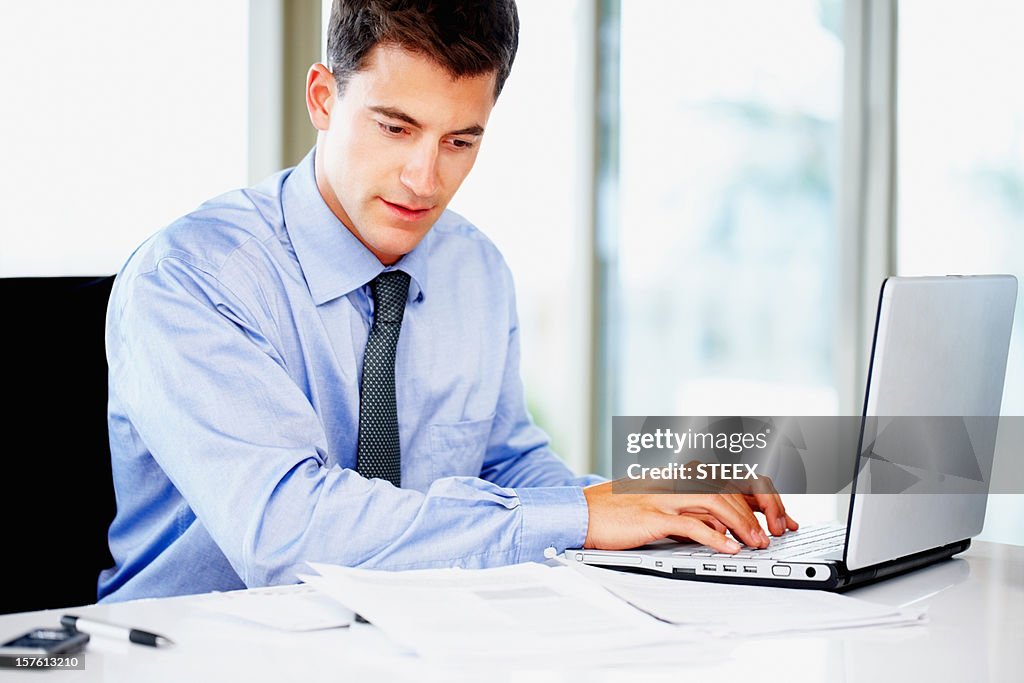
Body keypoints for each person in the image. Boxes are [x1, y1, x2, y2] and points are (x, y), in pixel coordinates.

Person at [99, 0, 797, 602]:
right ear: (322, 98)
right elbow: (289, 532)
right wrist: (582, 516)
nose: (424, 179)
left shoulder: (474, 269)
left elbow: (508, 467)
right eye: (395, 128)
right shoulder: (192, 278)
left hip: (414, 640)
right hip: (199, 647)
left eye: (461, 140)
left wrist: (648, 505)